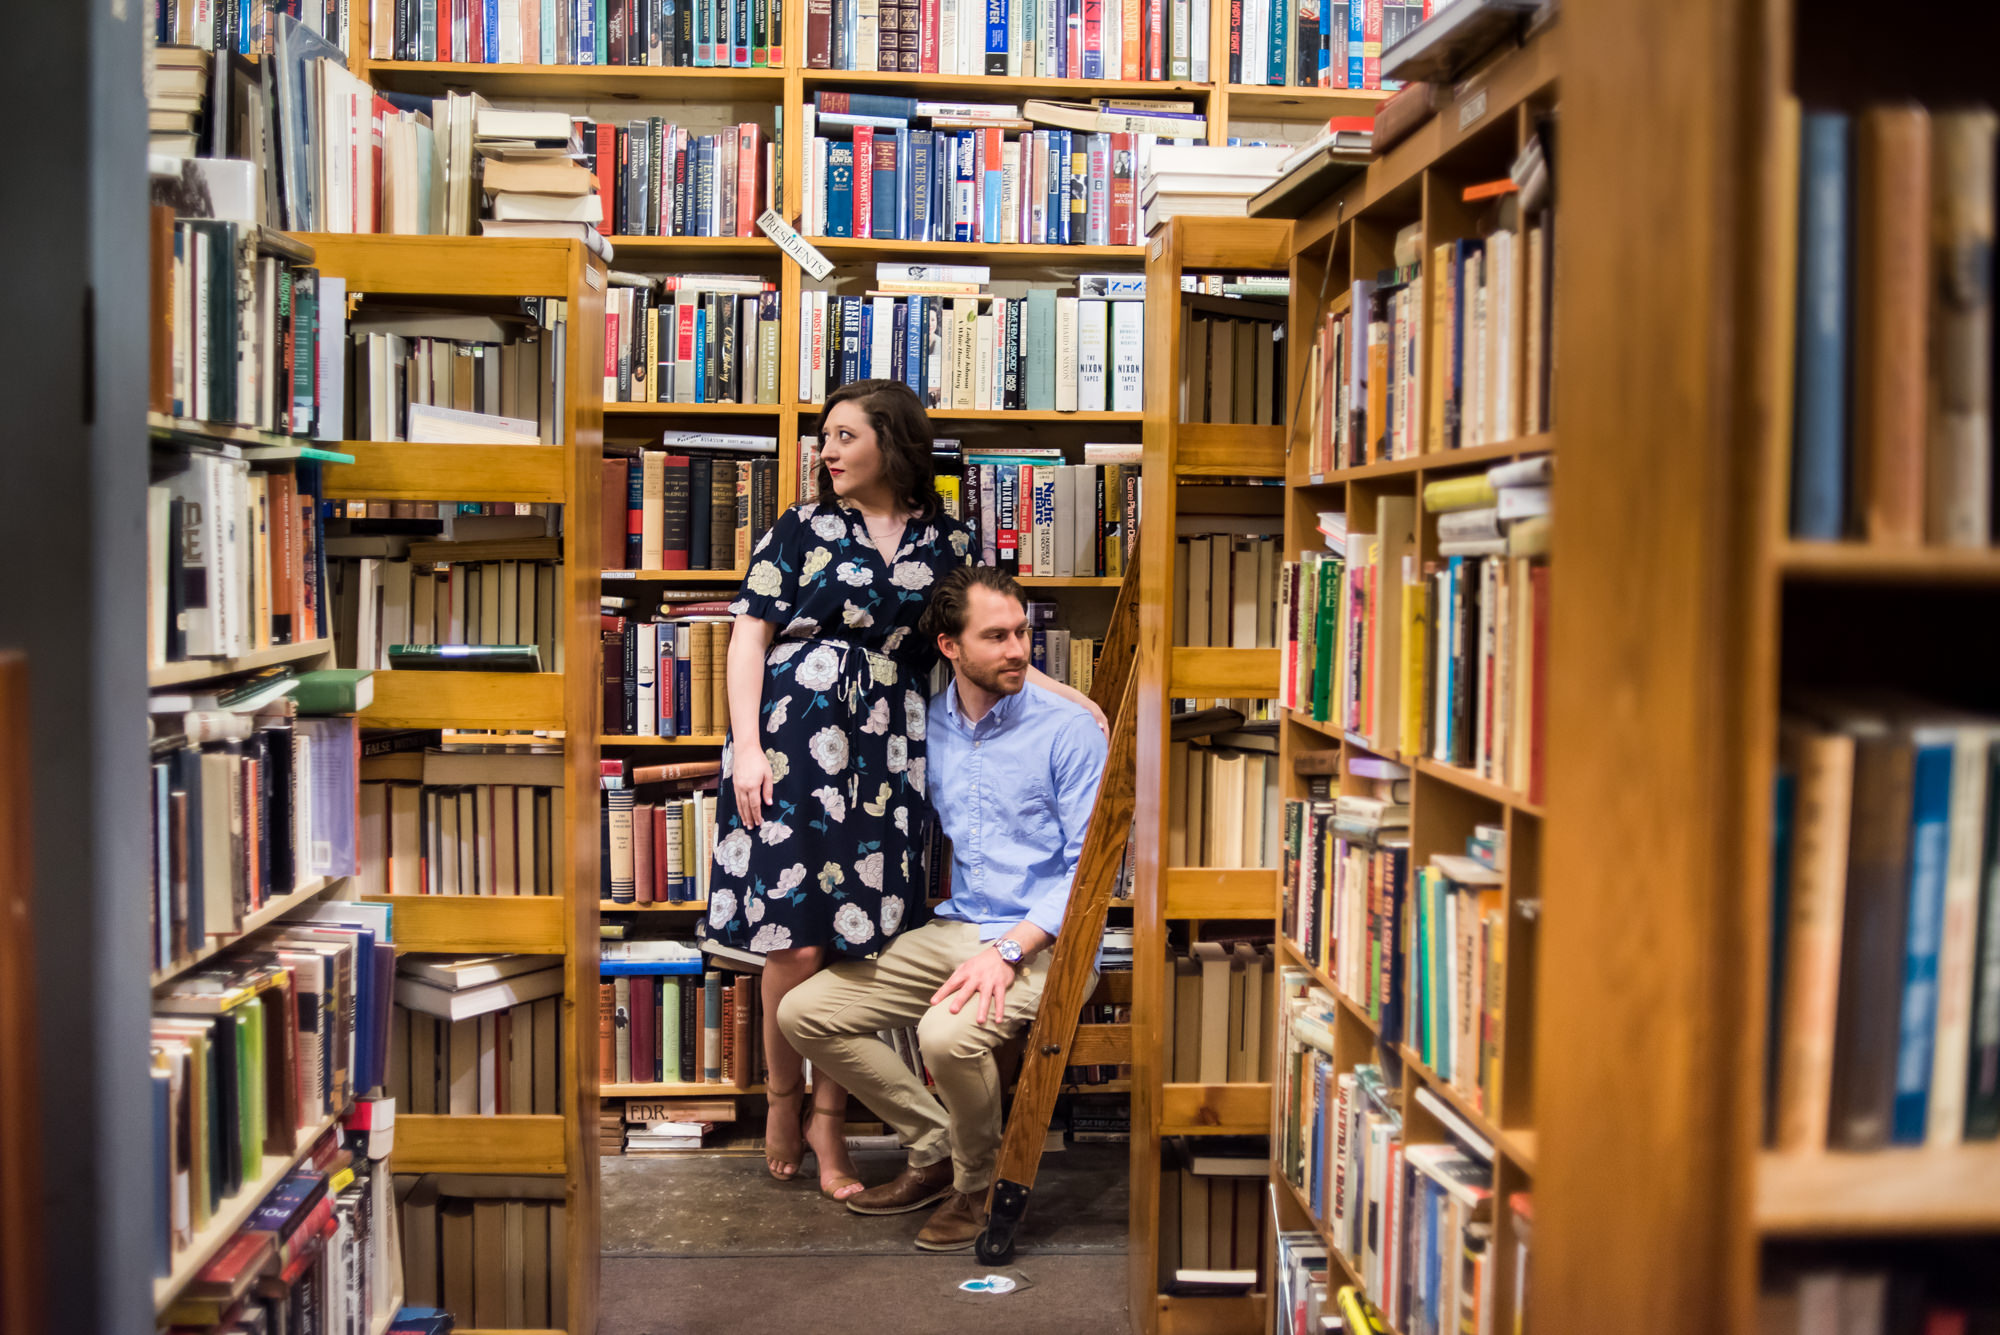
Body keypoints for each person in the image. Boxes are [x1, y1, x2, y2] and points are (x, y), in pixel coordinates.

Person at [701, 379, 1101, 1201]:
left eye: (845, 434)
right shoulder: (801, 527)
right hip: (792, 743)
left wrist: (1075, 698)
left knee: (856, 940)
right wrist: (747, 747)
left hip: (889, 753)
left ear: (891, 440)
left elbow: (983, 639)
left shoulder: (948, 541)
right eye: (824, 437)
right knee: (795, 941)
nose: (827, 450)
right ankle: (784, 1102)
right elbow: (749, 634)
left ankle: (830, 1119)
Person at [776, 564, 1108, 1251]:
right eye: (997, 636)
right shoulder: (926, 723)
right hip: (958, 926)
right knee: (803, 1013)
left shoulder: (1071, 731)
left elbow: (1091, 873)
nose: (1018, 649)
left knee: (944, 1036)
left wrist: (1010, 949)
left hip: (1051, 942)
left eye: (1023, 632)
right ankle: (933, 1145)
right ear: (950, 647)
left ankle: (977, 1181)